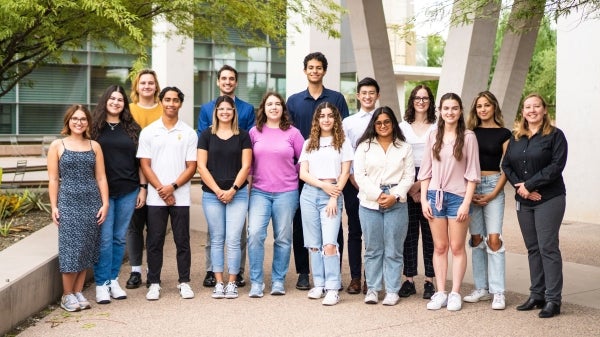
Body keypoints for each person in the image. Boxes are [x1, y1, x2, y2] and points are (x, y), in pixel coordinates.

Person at [287, 51, 349, 290]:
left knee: (334, 226)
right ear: (305, 71)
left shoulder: (336, 98)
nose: (314, 71)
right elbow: (289, 134)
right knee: (302, 225)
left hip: (331, 169)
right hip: (304, 170)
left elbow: (341, 131)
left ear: (324, 70)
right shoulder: (293, 101)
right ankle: (305, 272)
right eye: (310, 67)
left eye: (318, 67)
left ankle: (335, 276)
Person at [502, 93, 568, 318]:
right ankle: (537, 295)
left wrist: (529, 185)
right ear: (523, 112)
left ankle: (553, 299)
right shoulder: (516, 137)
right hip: (525, 200)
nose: (532, 110)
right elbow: (506, 165)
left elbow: (556, 166)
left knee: (548, 247)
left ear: (544, 110)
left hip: (550, 198)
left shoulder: (555, 136)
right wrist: (523, 190)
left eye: (536, 106)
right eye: (528, 107)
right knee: (532, 249)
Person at [418, 93, 480, 311]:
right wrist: (425, 199)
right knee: (440, 246)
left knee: (457, 247)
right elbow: (425, 170)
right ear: (440, 111)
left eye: (454, 108)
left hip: (458, 197)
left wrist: (466, 202)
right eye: (446, 108)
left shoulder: (469, 137)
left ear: (460, 111)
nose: (450, 112)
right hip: (435, 196)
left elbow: (472, 173)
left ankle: (455, 293)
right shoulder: (433, 135)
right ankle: (441, 291)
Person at [137, 87, 198, 301]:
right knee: (154, 241)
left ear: (181, 104)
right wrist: (163, 191)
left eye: (175, 100)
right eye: (167, 99)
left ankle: (184, 282)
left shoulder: (189, 133)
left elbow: (192, 166)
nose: (171, 103)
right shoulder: (149, 131)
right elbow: (145, 164)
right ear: (161, 101)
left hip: (180, 196)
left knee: (183, 241)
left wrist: (172, 187)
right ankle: (153, 282)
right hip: (155, 197)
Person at [47, 105, 109, 312]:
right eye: (75, 118)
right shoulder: (58, 145)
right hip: (68, 202)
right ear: (68, 121)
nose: (79, 122)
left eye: (83, 119)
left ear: (88, 122)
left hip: (92, 201)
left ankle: (78, 291)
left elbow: (101, 177)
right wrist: (54, 206)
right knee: (70, 249)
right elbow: (54, 179)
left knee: (86, 247)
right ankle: (66, 295)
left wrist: (105, 203)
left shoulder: (94, 146)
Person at [198, 65, 255, 288]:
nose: (228, 82)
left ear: (236, 82)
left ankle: (237, 272)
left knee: (237, 234)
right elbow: (204, 148)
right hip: (213, 184)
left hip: (238, 181)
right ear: (218, 82)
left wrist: (238, 185)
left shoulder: (247, 110)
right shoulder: (206, 110)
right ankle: (212, 271)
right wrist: (216, 189)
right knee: (215, 234)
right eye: (224, 78)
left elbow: (249, 144)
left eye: (232, 78)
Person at [354, 107, 415, 306]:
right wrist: (378, 195)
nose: (383, 126)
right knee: (372, 249)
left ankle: (392, 290)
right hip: (369, 202)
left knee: (394, 249)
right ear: (374, 124)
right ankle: (372, 289)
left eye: (387, 122)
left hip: (396, 202)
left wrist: (394, 196)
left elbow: (409, 177)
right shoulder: (364, 146)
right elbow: (360, 176)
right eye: (378, 123)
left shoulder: (404, 147)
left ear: (393, 123)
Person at [90, 85, 145, 304]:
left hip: (129, 190)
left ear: (125, 104)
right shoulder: (94, 128)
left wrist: (142, 188)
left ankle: (113, 280)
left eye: (120, 99)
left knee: (119, 238)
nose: (115, 102)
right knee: (104, 240)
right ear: (105, 101)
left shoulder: (133, 128)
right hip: (101, 193)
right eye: (112, 98)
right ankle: (101, 284)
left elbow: (140, 161)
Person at [247, 92, 305, 297]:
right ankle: (256, 282)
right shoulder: (254, 132)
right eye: (269, 104)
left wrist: (292, 174)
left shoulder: (294, 133)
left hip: (286, 193)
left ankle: (278, 280)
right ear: (263, 108)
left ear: (283, 108)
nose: (274, 107)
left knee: (282, 237)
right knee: (254, 234)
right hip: (260, 192)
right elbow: (249, 164)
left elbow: (303, 161)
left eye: (277, 104)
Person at [298, 102, 352, 306]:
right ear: (317, 119)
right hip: (310, 195)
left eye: (330, 115)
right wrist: (322, 186)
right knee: (313, 244)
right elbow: (303, 174)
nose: (326, 119)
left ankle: (332, 287)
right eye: (322, 116)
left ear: (335, 119)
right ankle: (318, 284)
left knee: (329, 243)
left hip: (332, 194)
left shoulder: (343, 143)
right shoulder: (309, 142)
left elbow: (345, 172)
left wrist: (333, 195)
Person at [463, 91, 512, 310]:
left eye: (487, 105)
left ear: (494, 108)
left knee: (494, 239)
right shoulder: (469, 133)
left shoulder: (504, 133)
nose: (483, 109)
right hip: (471, 187)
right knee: (476, 239)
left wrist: (493, 194)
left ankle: (498, 291)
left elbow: (508, 167)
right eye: (479, 106)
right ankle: (481, 289)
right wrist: (468, 191)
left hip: (494, 186)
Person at [398, 84, 438, 300]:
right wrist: (410, 186)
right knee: (409, 233)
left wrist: (420, 186)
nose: (421, 101)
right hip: (407, 178)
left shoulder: (438, 126)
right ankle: (408, 279)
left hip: (431, 179)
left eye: (425, 98)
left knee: (430, 234)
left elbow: (439, 159)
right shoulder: (402, 127)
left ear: (430, 102)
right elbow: (399, 157)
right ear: (412, 101)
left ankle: (430, 280)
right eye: (417, 97)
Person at [341, 77, 380, 295]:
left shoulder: (383, 118)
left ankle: (371, 279)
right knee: (355, 231)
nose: (367, 96)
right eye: (363, 93)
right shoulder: (348, 122)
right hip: (353, 184)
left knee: (374, 233)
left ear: (377, 95)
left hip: (379, 183)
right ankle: (356, 278)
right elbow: (345, 153)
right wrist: (354, 179)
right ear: (358, 96)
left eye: (371, 92)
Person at [125, 69, 162, 289]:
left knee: (155, 227)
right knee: (134, 226)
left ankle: (152, 270)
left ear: (156, 86)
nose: (147, 86)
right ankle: (135, 270)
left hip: (159, 176)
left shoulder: (163, 109)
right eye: (143, 83)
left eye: (150, 83)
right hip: (132, 176)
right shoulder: (128, 111)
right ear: (137, 87)